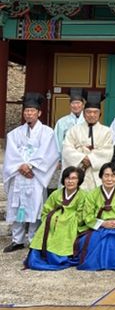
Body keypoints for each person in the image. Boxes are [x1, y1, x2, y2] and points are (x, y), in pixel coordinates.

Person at [3, 93, 60, 253]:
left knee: (35, 207)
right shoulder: (14, 133)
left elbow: (49, 154)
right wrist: (20, 166)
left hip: (36, 176)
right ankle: (17, 240)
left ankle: (34, 239)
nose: (29, 114)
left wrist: (31, 167)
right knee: (17, 205)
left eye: (32, 111)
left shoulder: (47, 132)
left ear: (39, 113)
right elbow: (11, 154)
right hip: (19, 175)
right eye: (26, 111)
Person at [25, 167, 86, 270]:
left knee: (62, 227)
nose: (70, 181)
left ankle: (58, 257)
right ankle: (41, 253)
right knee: (46, 226)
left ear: (79, 180)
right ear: (63, 180)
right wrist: (52, 219)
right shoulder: (55, 194)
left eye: (73, 178)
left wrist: (65, 219)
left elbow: (82, 215)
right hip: (52, 223)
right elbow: (45, 211)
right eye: (67, 178)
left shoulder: (83, 196)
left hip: (69, 226)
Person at [76, 163, 115, 271]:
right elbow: (87, 216)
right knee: (95, 238)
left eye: (113, 175)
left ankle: (111, 264)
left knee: (114, 234)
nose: (110, 179)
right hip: (97, 226)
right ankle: (99, 263)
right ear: (101, 177)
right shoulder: (92, 194)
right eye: (106, 175)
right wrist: (102, 223)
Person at [62, 91, 114, 191]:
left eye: (95, 112)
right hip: (79, 169)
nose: (92, 115)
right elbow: (67, 149)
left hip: (97, 173)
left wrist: (91, 159)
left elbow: (107, 152)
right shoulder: (73, 130)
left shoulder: (106, 131)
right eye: (88, 112)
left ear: (100, 114)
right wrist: (82, 158)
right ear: (84, 113)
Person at [53, 88, 85, 154]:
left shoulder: (88, 121)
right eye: (73, 103)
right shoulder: (62, 122)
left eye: (78, 103)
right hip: (67, 155)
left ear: (83, 105)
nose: (75, 106)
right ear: (70, 105)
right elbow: (57, 142)